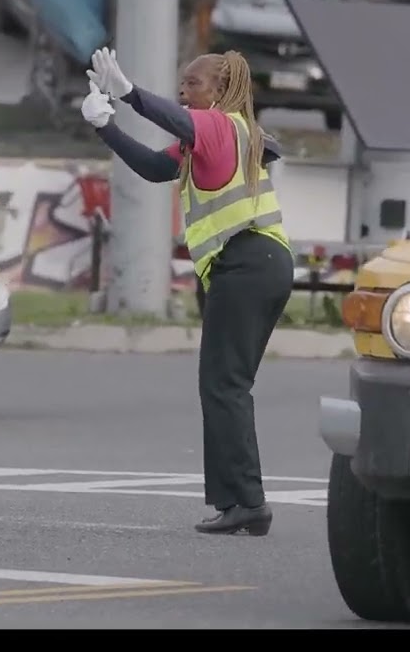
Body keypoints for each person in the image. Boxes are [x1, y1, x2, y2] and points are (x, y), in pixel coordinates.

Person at [80, 46, 294, 536]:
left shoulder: (220, 124)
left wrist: (129, 93)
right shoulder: (218, 135)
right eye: (181, 83)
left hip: (246, 263)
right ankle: (241, 501)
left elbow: (176, 119)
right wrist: (105, 127)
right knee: (228, 386)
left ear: (218, 92)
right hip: (261, 265)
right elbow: (157, 168)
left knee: (222, 386)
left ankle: (247, 502)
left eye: (193, 83)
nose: (183, 90)